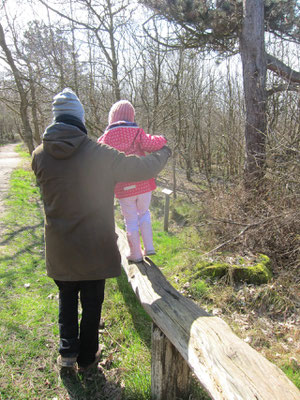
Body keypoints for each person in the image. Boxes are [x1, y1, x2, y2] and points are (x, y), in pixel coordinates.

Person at [31, 88, 171, 372]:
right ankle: (87, 358)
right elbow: (141, 167)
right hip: (95, 247)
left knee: (67, 298)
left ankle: (67, 352)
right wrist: (164, 152)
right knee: (92, 302)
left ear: (55, 119)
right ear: (80, 119)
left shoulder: (38, 156)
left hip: (60, 249)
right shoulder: (99, 154)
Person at [98, 100, 167, 262]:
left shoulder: (106, 137)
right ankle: (149, 247)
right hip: (143, 184)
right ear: (131, 116)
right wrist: (162, 139)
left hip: (123, 187)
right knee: (144, 213)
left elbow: (98, 151)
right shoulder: (137, 132)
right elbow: (151, 143)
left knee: (130, 220)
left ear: (112, 118)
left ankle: (135, 254)